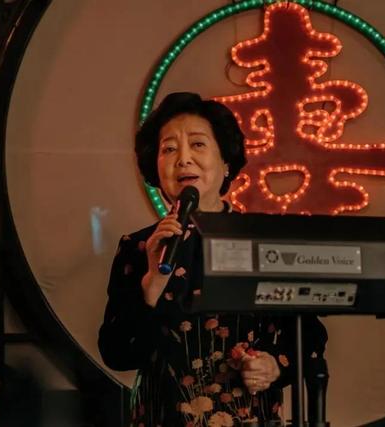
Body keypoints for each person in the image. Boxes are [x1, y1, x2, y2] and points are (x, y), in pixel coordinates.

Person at [98, 92, 327, 426]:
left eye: (198, 144)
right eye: (169, 149)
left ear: (226, 162)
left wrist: (274, 366)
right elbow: (117, 353)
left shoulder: (264, 241)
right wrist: (151, 286)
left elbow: (311, 339)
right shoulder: (139, 246)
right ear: (155, 168)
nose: (183, 159)